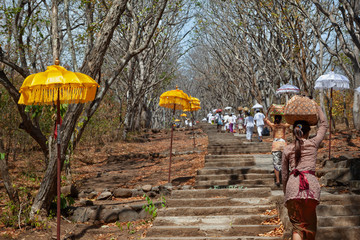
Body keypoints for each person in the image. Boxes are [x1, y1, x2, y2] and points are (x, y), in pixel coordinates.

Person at [282, 106, 328, 240]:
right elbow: (324, 125)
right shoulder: (313, 144)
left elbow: (284, 175)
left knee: (297, 227)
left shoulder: (287, 149)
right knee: (309, 227)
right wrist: (317, 107)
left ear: (293, 132)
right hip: (310, 189)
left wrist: (286, 193)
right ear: (308, 133)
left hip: (292, 188)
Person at [264, 115, 291, 186]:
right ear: (281, 119)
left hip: (275, 145)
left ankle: (278, 180)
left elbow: (266, 120)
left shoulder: (273, 125)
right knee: (285, 162)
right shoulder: (284, 126)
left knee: (276, 163)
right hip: (283, 145)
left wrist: (267, 114)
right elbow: (291, 122)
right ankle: (285, 179)